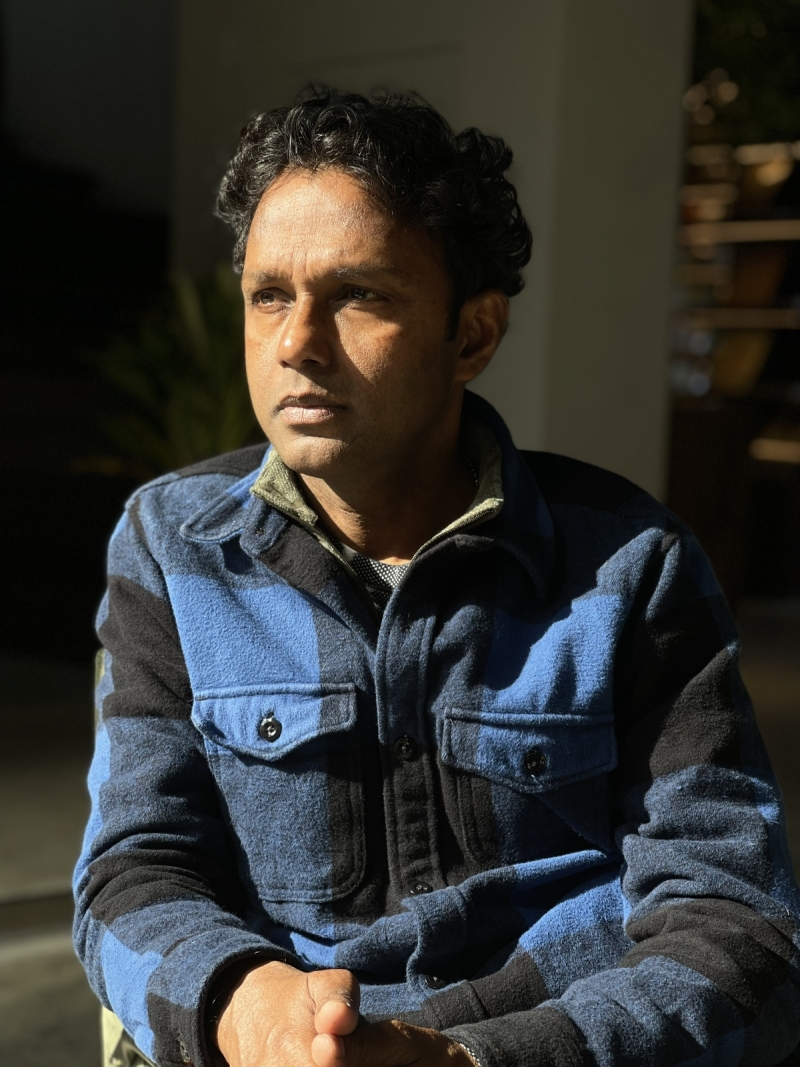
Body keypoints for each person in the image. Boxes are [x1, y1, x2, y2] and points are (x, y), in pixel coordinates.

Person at [74, 87, 800, 1067]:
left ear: (472, 335)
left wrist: (470, 1060)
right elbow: (131, 872)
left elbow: (738, 926)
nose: (295, 343)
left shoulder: (630, 564)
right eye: (268, 294)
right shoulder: (173, 546)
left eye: (358, 295)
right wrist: (246, 1006)